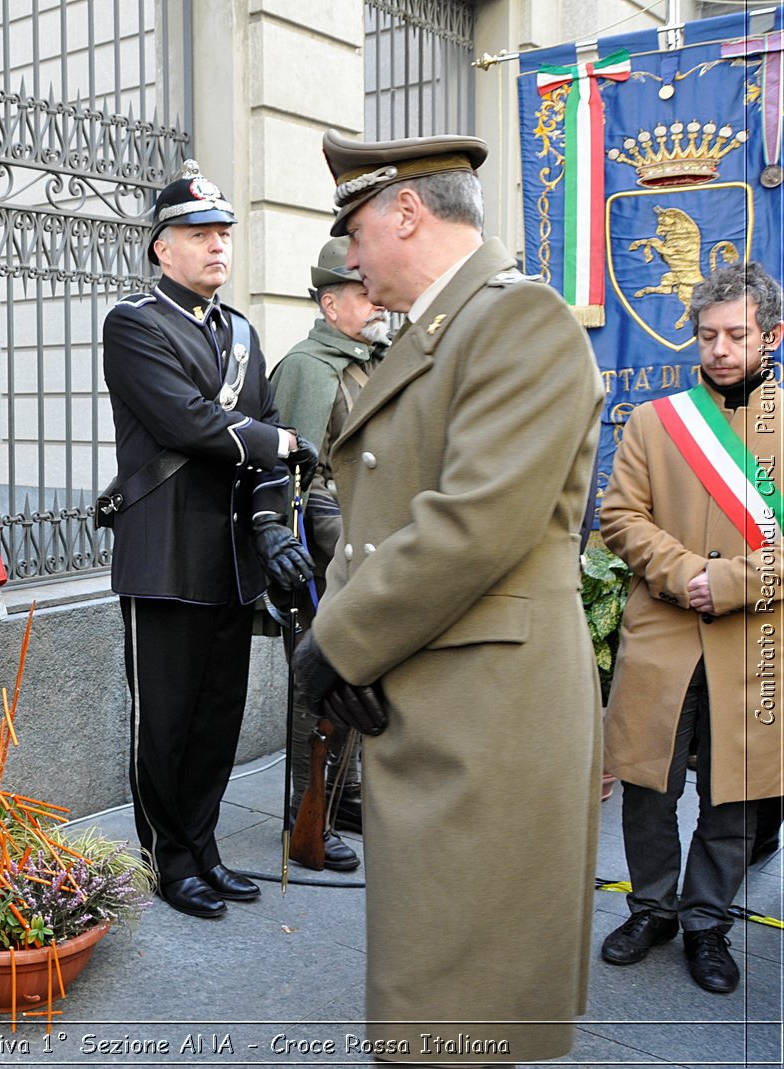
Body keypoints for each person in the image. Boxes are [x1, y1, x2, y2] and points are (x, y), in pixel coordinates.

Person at [291, 132, 603, 1065]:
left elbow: (475, 519)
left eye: (355, 230)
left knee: (468, 997)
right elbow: (379, 508)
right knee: (439, 988)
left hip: (491, 711)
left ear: (407, 214)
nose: (349, 256)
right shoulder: (445, 326)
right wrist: (346, 631)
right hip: (444, 688)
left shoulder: (519, 320)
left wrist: (336, 644)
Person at [101, 160, 315, 919]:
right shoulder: (134, 324)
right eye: (199, 234)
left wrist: (268, 520)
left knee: (218, 715)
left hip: (228, 563)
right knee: (163, 719)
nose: (217, 245)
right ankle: (167, 857)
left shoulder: (243, 332)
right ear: (163, 247)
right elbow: (187, 422)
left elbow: (258, 454)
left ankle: (205, 843)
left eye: (223, 233)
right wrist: (277, 440)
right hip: (163, 554)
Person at [597, 261, 783, 995]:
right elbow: (619, 517)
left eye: (737, 335)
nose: (720, 350)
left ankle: (706, 919)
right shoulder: (655, 421)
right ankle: (652, 906)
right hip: (664, 636)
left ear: (772, 335)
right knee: (647, 786)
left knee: (735, 795)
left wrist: (730, 582)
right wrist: (683, 574)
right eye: (708, 335)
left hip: (755, 643)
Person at [269, 235, 390, 871]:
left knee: (360, 677)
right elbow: (296, 480)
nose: (375, 304)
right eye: (362, 293)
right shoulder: (307, 368)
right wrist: (343, 547)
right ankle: (303, 811)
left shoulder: (375, 360)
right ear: (330, 303)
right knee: (316, 688)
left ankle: (343, 798)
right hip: (326, 560)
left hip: (375, 550)